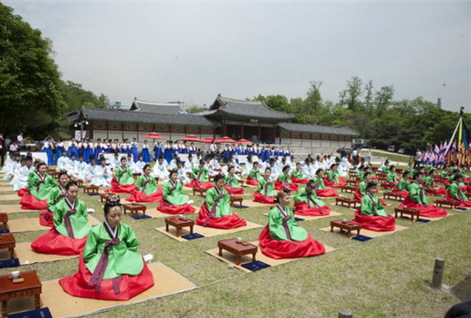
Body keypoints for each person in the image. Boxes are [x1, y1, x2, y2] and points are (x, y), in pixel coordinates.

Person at [59, 196, 154, 300]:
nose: (117, 219)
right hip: (104, 258)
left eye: (119, 215)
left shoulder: (126, 229)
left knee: (139, 275)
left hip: (123, 256)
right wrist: (96, 261)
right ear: (105, 216)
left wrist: (128, 257)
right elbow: (88, 253)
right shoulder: (96, 231)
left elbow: (133, 245)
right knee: (103, 286)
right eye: (113, 216)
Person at [258, 189, 325, 259]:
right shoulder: (273, 212)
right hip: (278, 230)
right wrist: (283, 232)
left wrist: (294, 229)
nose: (289, 200)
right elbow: (273, 226)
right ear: (280, 199)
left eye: (289, 198)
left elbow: (293, 222)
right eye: (287, 198)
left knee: (305, 236)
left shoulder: (288, 209)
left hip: (290, 228)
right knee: (292, 245)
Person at [31, 181, 92, 255]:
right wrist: (63, 230)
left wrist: (81, 227)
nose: (74, 194)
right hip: (64, 227)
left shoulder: (81, 204)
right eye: (71, 192)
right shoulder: (59, 205)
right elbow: (57, 221)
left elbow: (85, 217)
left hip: (80, 227)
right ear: (66, 191)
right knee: (61, 242)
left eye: (76, 192)